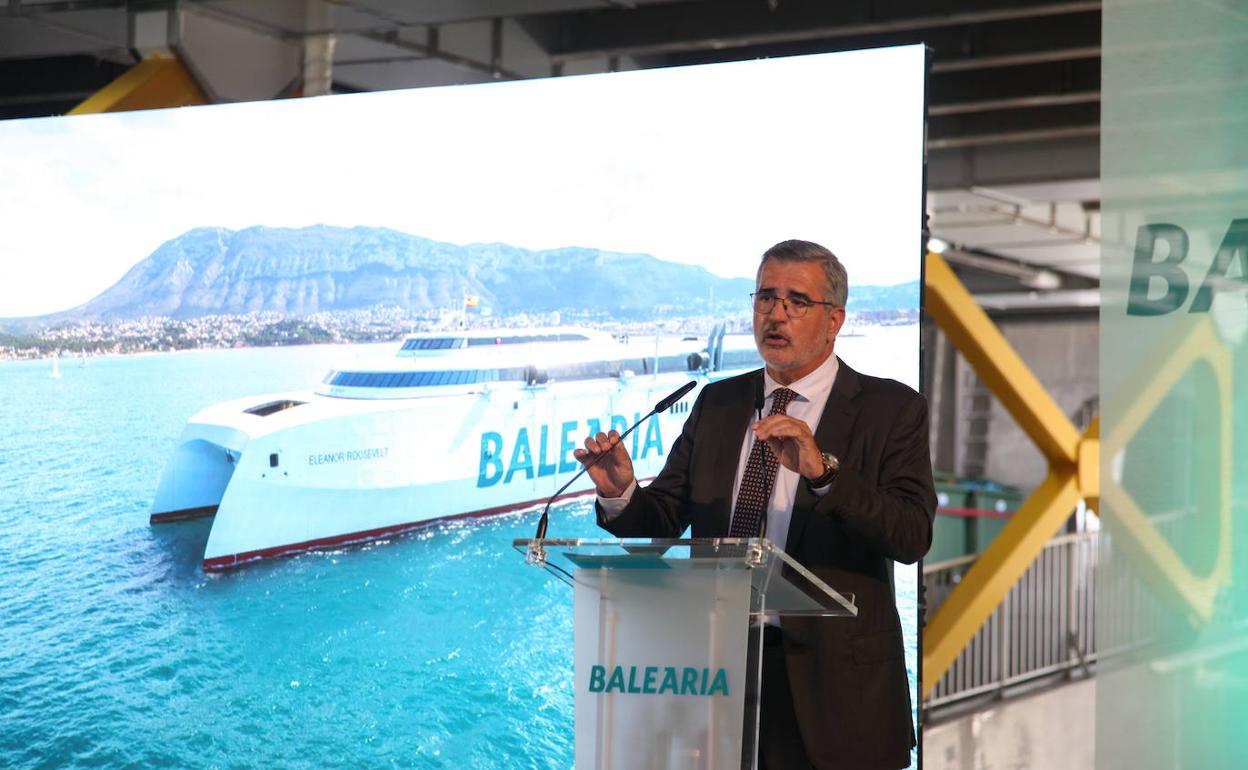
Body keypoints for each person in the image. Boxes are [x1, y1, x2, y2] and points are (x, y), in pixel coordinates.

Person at [574, 239, 936, 770]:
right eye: (765, 298)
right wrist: (621, 492)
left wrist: (822, 472)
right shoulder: (717, 403)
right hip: (715, 679)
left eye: (796, 301)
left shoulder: (891, 409)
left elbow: (910, 534)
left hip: (837, 692)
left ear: (834, 319)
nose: (776, 314)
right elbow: (666, 518)